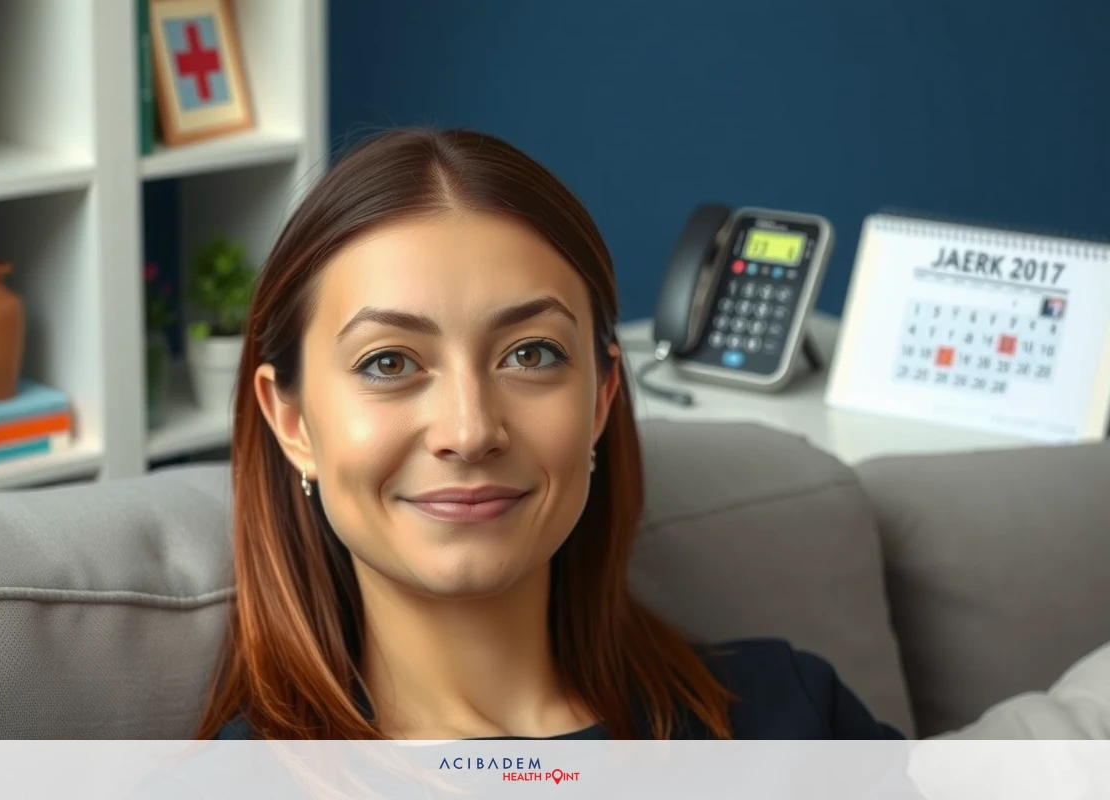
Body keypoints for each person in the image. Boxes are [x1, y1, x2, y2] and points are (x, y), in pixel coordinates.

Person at [194, 127, 904, 741]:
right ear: (291, 421)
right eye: (389, 362)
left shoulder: (795, 717)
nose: (470, 432)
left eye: (530, 354)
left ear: (600, 397)